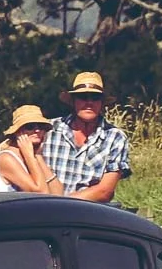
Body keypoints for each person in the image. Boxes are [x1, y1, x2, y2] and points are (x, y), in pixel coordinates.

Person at [40, 71, 131, 203]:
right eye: (83, 97)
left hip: (88, 211)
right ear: (73, 101)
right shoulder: (48, 129)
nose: (89, 103)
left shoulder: (115, 138)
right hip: (46, 207)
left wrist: (62, 203)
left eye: (95, 98)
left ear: (102, 103)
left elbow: (104, 191)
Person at [0, 104, 64, 194]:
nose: (37, 130)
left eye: (41, 126)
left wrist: (38, 157)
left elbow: (58, 194)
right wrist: (29, 156)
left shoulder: (34, 156)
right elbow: (41, 193)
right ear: (17, 132)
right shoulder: (6, 158)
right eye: (30, 127)